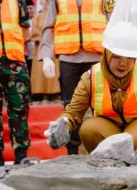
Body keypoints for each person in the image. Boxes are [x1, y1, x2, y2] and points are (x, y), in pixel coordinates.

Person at [43, 21, 137, 154]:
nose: (123, 64)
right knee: (89, 130)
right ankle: (107, 164)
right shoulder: (91, 77)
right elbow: (73, 112)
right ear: (107, 53)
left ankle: (134, 166)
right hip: (107, 127)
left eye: (129, 58)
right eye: (117, 57)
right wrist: (62, 124)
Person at [38, 0, 116, 155]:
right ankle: (72, 152)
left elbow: (114, 21)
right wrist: (46, 56)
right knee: (71, 107)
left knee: (102, 104)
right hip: (69, 60)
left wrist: (115, 55)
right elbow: (49, 26)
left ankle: (105, 150)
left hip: (97, 58)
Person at [0, 0, 31, 167]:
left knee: (19, 111)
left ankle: (21, 156)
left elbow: (25, 29)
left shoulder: (17, 1)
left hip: (16, 64)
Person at [30, 0, 60, 102]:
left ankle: (55, 94)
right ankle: (42, 95)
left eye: (48, 2)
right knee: (40, 75)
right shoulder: (37, 17)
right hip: (40, 49)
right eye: (45, 2)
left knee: (54, 72)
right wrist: (45, 38)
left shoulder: (57, 14)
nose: (46, 4)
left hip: (54, 48)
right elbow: (33, 32)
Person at [24, 0, 35, 76]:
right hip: (26, 55)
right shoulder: (23, 22)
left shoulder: (38, 20)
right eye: (27, 8)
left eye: (31, 8)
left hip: (36, 55)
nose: (29, 10)